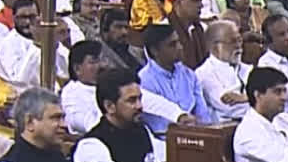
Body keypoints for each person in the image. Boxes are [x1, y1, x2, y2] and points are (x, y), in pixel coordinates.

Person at [73, 69, 216, 162]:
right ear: (110, 106)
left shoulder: (141, 131)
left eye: (140, 99)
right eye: (131, 101)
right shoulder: (90, 145)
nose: (140, 106)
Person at [59, 39, 190, 134]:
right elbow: (87, 124)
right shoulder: (71, 94)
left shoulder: (110, 82)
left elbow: (149, 100)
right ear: (77, 68)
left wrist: (178, 115)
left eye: (102, 60)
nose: (102, 65)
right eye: (94, 62)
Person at [137, 24, 216, 136]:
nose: (180, 47)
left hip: (195, 135)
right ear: (154, 50)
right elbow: (158, 124)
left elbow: (202, 114)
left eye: (179, 42)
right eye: (172, 45)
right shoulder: (143, 80)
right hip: (162, 140)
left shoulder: (189, 75)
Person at [0, 0, 70, 92]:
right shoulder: (8, 44)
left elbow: (65, 71)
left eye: (32, 17)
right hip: (22, 96)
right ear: (14, 18)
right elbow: (20, 79)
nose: (27, 22)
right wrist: (37, 45)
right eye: (22, 17)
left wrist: (56, 44)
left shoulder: (47, 37)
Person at [195, 20, 253, 120]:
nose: (238, 46)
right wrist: (256, 100)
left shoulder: (247, 68)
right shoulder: (204, 73)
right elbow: (230, 108)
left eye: (239, 40)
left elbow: (270, 99)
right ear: (214, 47)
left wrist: (244, 98)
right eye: (232, 42)